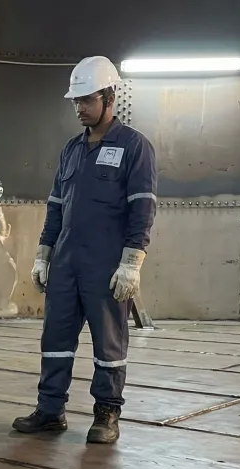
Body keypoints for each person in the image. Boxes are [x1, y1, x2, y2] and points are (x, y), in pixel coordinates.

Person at [12, 56, 157, 444]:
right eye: (75, 101)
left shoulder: (133, 147)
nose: (79, 108)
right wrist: (44, 252)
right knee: (55, 340)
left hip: (105, 264)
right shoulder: (72, 150)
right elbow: (56, 206)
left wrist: (132, 262)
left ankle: (107, 413)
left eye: (87, 100)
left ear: (109, 98)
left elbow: (142, 206)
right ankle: (50, 410)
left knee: (109, 343)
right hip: (66, 262)